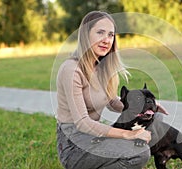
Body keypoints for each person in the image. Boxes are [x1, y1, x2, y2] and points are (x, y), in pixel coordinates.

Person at [56, 11, 168, 169]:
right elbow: (82, 123)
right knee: (139, 153)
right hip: (74, 144)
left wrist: (146, 108)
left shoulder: (101, 67)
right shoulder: (72, 70)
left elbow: (112, 100)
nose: (106, 40)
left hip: (94, 136)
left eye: (111, 35)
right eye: (100, 32)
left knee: (156, 119)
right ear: (85, 35)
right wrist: (128, 134)